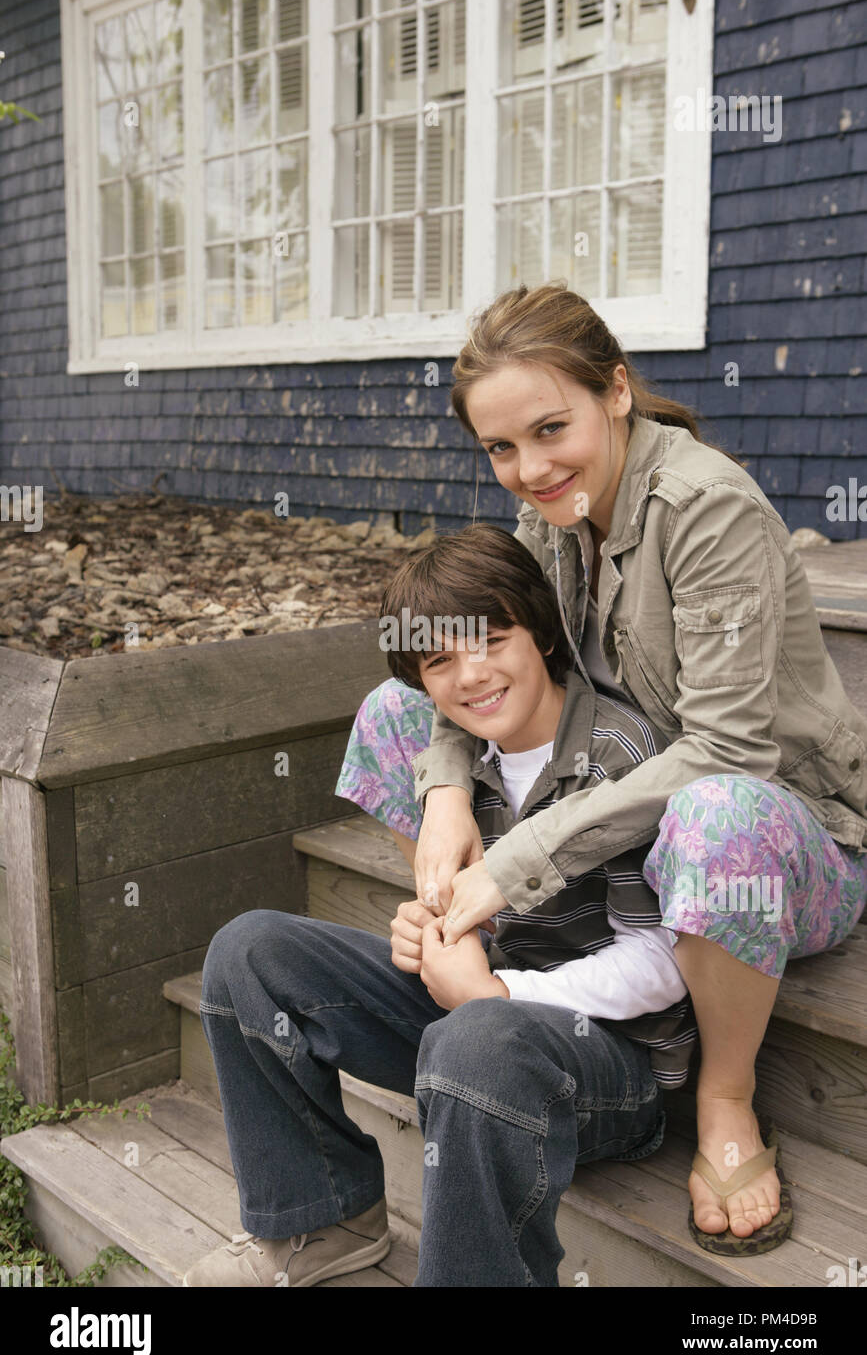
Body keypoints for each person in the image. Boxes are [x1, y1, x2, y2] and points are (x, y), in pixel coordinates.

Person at [336, 280, 867, 1257]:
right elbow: (502, 639)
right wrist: (450, 782)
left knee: (720, 814)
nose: (529, 469)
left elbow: (727, 750)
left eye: (550, 428)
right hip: (620, 801)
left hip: (779, 833)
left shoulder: (707, 510)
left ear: (615, 390)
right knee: (395, 709)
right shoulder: (555, 512)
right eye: (501, 448)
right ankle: (478, 948)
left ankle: (723, 1097)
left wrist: (514, 860)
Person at [185, 525, 697, 1287]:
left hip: (612, 1069)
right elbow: (482, 936)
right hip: (490, 1022)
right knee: (249, 950)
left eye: (491, 640)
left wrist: (496, 993)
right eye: (439, 661)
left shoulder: (620, 755)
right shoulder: (457, 765)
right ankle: (321, 1221)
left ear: (542, 630)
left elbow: (665, 963)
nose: (472, 675)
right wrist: (431, 935)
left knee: (478, 1037)